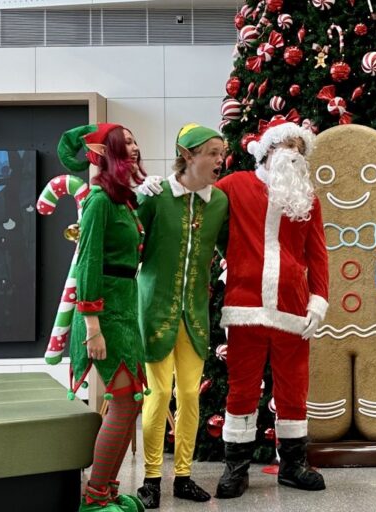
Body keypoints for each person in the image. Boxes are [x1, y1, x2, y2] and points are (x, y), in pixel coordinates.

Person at [213, 117, 329, 499]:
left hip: (293, 309)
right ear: (266, 151)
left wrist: (318, 301)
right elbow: (200, 211)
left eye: (299, 148)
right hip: (245, 307)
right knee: (242, 388)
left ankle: (293, 465)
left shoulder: (308, 199)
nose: (293, 153)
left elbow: (318, 254)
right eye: (286, 145)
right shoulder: (234, 186)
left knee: (294, 388)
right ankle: (236, 468)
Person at [134, 124, 229, 508]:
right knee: (158, 394)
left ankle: (184, 477)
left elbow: (232, 249)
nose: (220, 160)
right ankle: (151, 479)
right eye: (212, 153)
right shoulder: (156, 197)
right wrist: (136, 196)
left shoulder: (219, 202)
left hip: (194, 314)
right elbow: (127, 241)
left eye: (222, 153)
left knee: (189, 394)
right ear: (187, 155)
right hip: (154, 310)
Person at [56, 123, 148, 512]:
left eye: (134, 141)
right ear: (106, 153)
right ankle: (94, 497)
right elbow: (88, 261)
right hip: (104, 313)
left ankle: (108, 490)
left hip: (124, 308)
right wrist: (92, 326)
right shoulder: (98, 201)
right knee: (124, 402)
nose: (135, 147)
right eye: (125, 143)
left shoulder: (123, 201)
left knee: (132, 401)